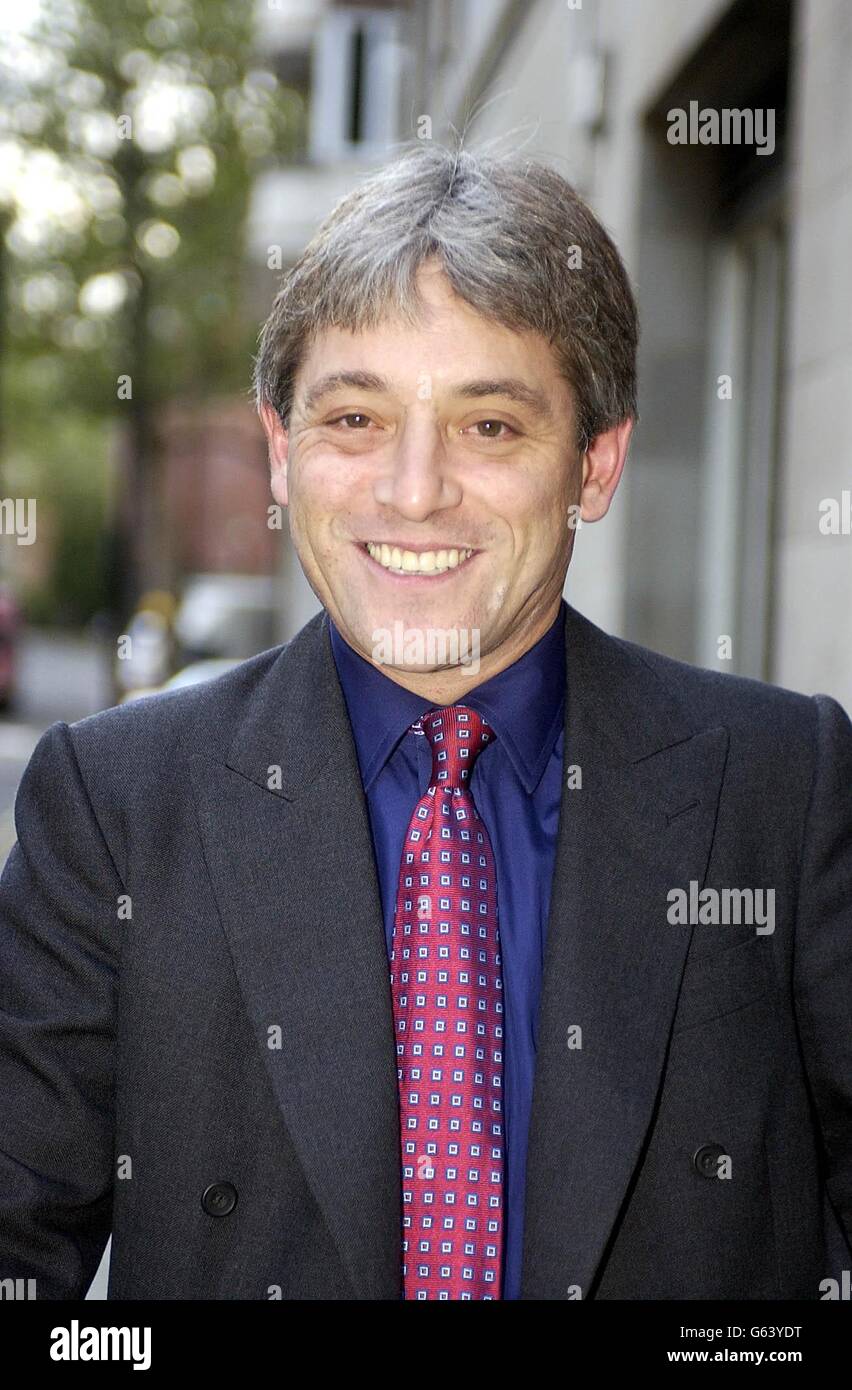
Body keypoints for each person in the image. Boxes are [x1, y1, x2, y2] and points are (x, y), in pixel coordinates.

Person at [0, 144, 849, 1301]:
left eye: (490, 427)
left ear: (594, 464)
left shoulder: (783, 787)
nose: (412, 490)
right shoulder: (113, 807)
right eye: (353, 417)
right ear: (280, 450)